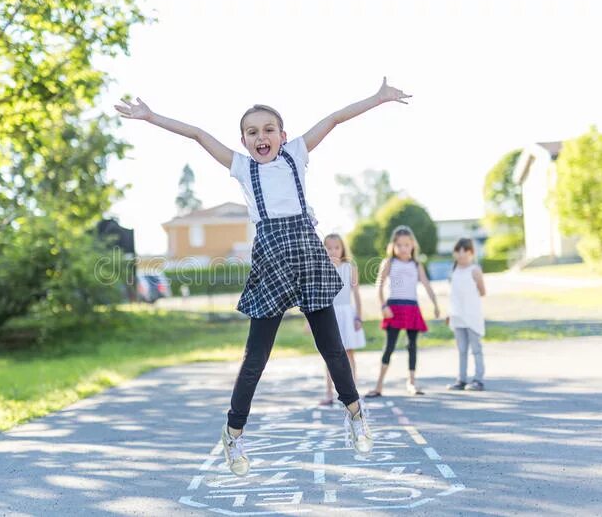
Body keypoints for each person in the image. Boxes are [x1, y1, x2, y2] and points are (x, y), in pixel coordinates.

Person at [114, 77, 411, 477]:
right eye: (252, 132)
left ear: (283, 136)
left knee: (333, 349)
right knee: (256, 358)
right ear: (244, 141)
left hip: (307, 256)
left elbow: (335, 119)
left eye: (269, 129)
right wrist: (151, 117)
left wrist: (378, 98)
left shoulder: (297, 154)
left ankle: (356, 413)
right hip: (271, 261)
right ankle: (233, 434)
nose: (261, 137)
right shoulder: (242, 167)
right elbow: (198, 134)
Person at [365, 225, 439, 398]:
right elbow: (379, 286)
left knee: (412, 345)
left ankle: (411, 382)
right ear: (393, 246)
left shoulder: (416, 264)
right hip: (394, 307)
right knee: (389, 346)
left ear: (412, 245)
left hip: (412, 307)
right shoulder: (389, 263)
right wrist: (383, 306)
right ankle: (379, 385)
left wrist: (435, 304)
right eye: (399, 245)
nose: (403, 248)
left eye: (407, 245)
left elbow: (426, 284)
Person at [319, 234, 366, 406]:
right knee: (330, 355)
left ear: (342, 248)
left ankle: (353, 392)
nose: (333, 251)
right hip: (329, 314)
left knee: (349, 353)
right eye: (329, 248)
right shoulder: (322, 268)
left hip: (347, 314)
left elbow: (356, 294)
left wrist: (358, 317)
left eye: (336, 247)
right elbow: (317, 295)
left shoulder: (350, 267)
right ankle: (329, 392)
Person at [446, 238, 487, 391]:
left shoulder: (475, 270)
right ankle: (461, 379)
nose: (461, 254)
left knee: (476, 349)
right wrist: (449, 313)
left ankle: (478, 379)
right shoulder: (454, 271)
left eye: (465, 251)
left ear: (471, 253)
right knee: (461, 349)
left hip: (472, 316)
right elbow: (453, 295)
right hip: (457, 316)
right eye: (458, 251)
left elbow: (482, 291)